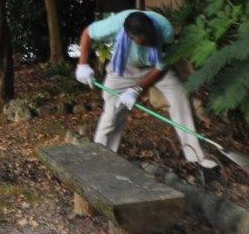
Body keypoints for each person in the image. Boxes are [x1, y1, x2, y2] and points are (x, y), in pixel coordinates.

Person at [75, 10, 216, 169]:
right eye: (144, 42)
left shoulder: (165, 30)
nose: (149, 44)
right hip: (124, 67)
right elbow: (88, 34)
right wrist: (83, 64)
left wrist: (136, 89)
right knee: (112, 113)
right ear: (128, 36)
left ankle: (197, 157)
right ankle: (101, 159)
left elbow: (161, 66)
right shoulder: (115, 25)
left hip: (155, 67)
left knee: (180, 97)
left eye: (151, 40)